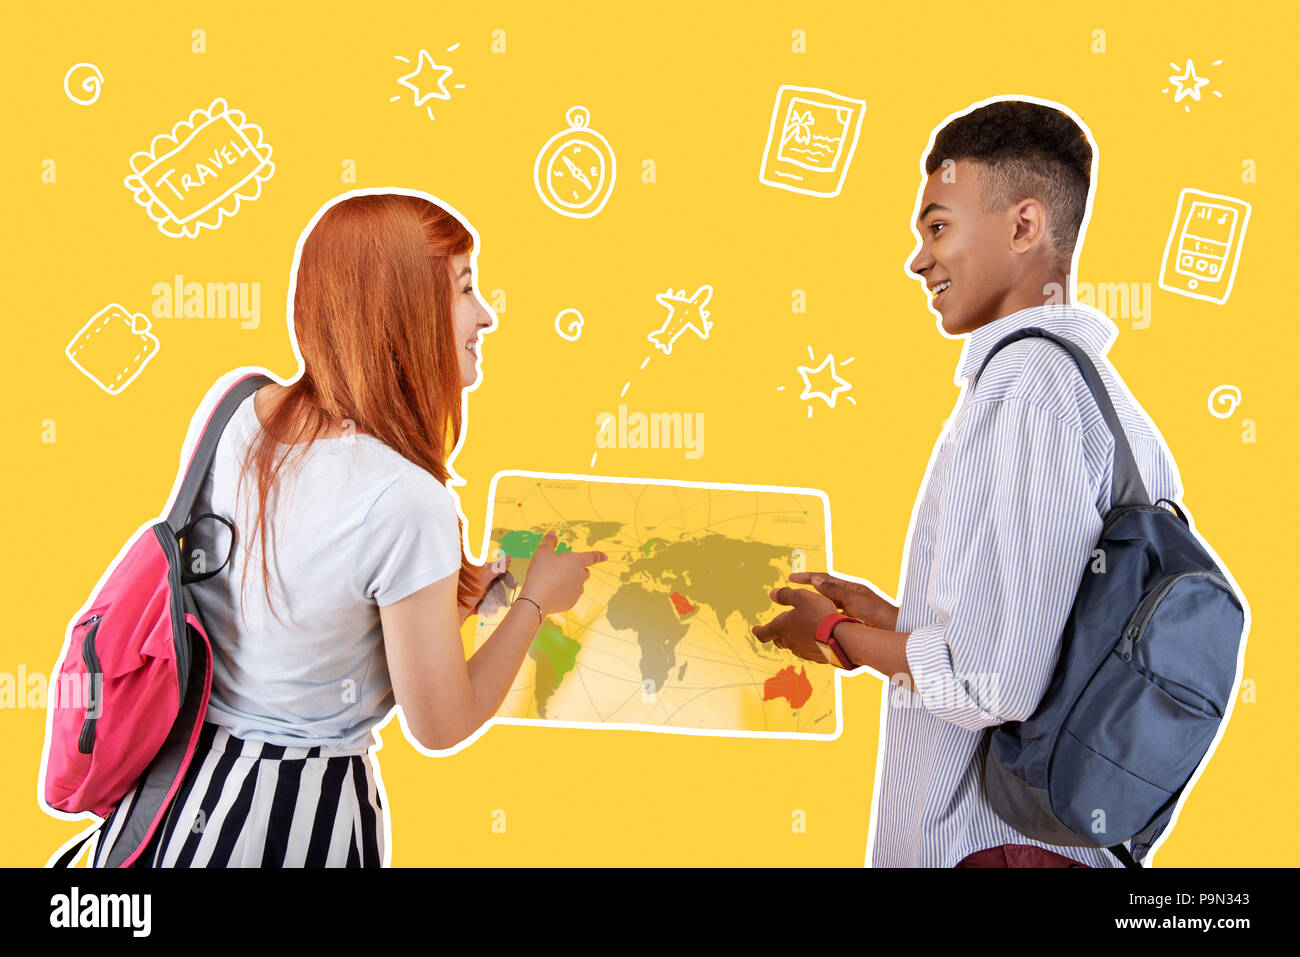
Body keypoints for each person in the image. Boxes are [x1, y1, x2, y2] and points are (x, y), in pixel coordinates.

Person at [91, 189, 607, 867]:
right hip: (294, 823)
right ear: (401, 311)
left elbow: (304, 628)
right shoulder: (406, 500)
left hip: (165, 805)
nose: (485, 316)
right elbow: (441, 722)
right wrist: (537, 599)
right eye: (464, 289)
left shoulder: (233, 409)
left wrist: (444, 595)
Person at [751, 98, 1184, 867]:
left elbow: (1001, 682)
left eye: (938, 226)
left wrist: (836, 637)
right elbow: (1053, 636)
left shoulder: (1024, 387)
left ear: (1024, 227)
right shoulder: (1109, 404)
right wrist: (894, 615)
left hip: (995, 849)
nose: (919, 259)